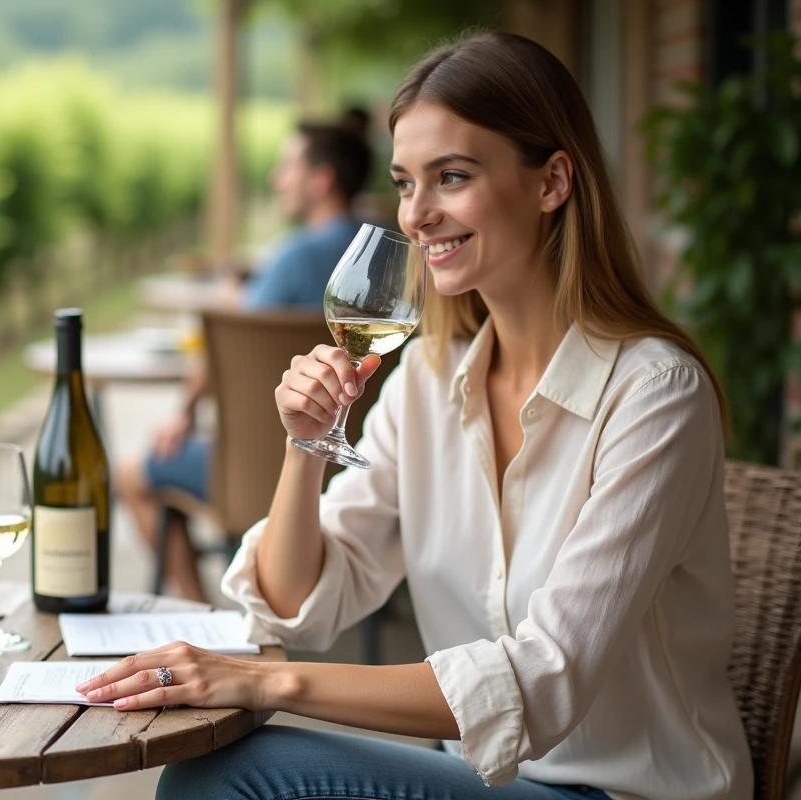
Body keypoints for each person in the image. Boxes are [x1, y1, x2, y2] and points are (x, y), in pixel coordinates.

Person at [79, 31, 753, 800]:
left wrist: (268, 684)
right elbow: (301, 605)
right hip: (489, 781)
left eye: (452, 177)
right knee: (215, 771)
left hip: (625, 793)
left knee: (233, 776)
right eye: (405, 183)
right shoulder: (430, 380)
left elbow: (543, 679)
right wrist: (307, 448)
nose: (419, 215)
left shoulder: (655, 393)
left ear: (552, 182)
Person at [115, 121, 372, 603]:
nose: (277, 180)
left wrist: (184, 411)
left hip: (269, 469)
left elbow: (226, 350)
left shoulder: (294, 256)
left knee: (131, 471)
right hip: (357, 468)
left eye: (287, 167)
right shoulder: (380, 253)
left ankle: (198, 609)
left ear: (321, 180)